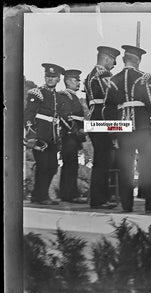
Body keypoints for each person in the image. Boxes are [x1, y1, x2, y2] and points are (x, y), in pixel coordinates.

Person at [103, 45, 151, 214]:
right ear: (138, 60)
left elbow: (108, 109)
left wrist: (113, 131)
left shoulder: (113, 80)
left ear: (124, 60)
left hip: (123, 128)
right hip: (142, 127)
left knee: (126, 168)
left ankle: (126, 205)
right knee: (146, 166)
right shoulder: (143, 78)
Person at [24, 63, 66, 205]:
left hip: (53, 137)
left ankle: (40, 194)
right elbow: (29, 115)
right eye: (48, 76)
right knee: (43, 165)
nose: (50, 79)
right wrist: (32, 137)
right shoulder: (36, 93)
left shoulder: (59, 98)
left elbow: (59, 119)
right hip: (40, 136)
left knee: (52, 166)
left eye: (53, 77)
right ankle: (40, 196)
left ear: (59, 79)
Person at [84, 46, 120, 209]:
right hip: (104, 119)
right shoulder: (104, 75)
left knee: (100, 159)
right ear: (106, 59)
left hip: (93, 117)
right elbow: (113, 98)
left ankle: (99, 197)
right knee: (103, 160)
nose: (114, 64)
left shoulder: (89, 76)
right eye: (113, 60)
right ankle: (99, 199)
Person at [58, 69, 87, 204]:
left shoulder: (74, 97)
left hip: (73, 137)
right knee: (70, 165)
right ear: (68, 81)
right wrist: (77, 131)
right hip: (69, 136)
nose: (79, 82)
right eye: (76, 80)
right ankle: (69, 195)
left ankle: (68, 194)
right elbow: (66, 118)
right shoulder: (65, 96)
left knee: (71, 165)